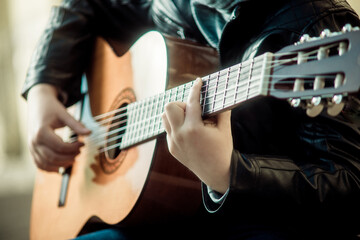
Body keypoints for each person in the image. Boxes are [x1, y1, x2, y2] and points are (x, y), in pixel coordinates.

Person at [23, 0, 360, 239]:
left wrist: (229, 173)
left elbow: (348, 186)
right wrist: (43, 89)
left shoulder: (314, 22)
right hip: (164, 210)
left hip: (264, 220)